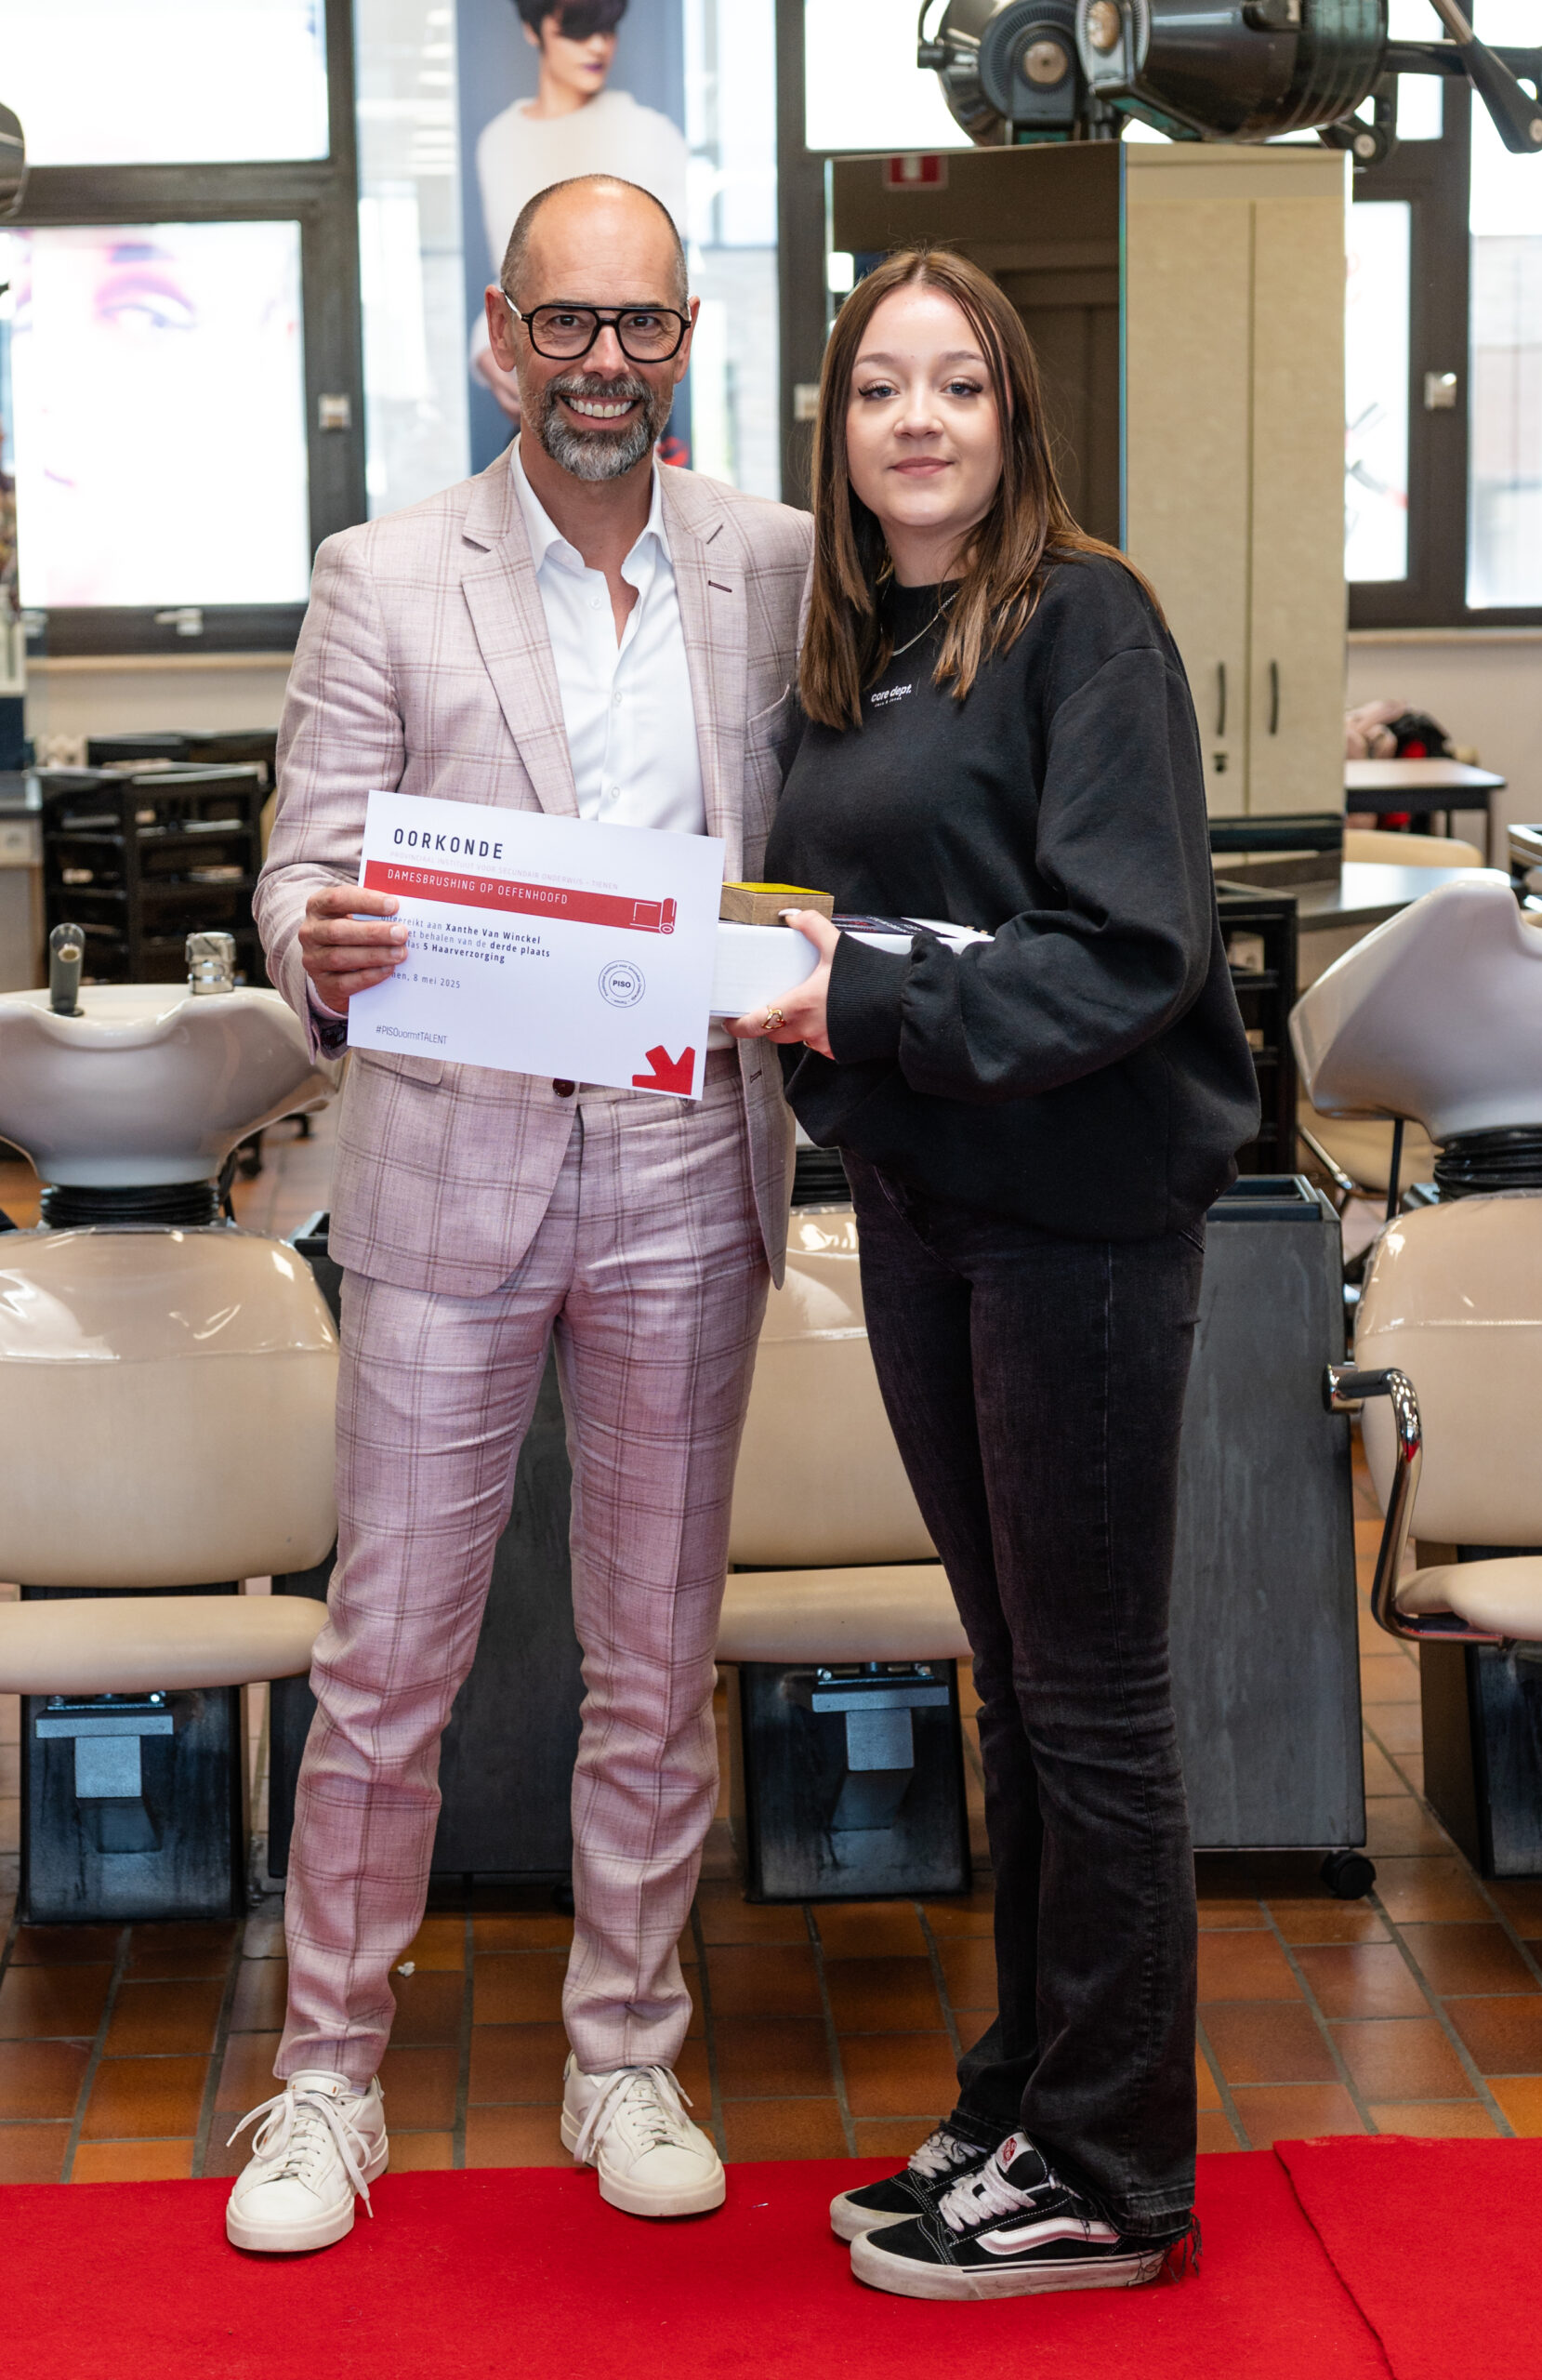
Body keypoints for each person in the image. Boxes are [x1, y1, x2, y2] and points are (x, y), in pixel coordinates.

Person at [234, 173, 811, 2254]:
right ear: (499, 337)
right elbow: (297, 866)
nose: (600, 364)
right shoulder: (382, 572)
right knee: (387, 1653)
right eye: (564, 323)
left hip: (684, 1157)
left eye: (638, 325)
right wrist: (323, 935)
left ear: (685, 342)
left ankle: (624, 2048)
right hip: (450, 1154)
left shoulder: (775, 562)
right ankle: (326, 2077)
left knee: (652, 1652)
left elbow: (817, 839)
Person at [731, 248, 1259, 2301]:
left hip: (1080, 1218)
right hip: (925, 1207)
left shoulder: (1080, 619)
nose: (918, 419)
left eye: (956, 382)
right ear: (836, 429)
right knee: (1020, 1682)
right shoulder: (853, 649)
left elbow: (1128, 948)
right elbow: (835, 925)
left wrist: (849, 997)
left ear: (1012, 411)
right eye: (879, 387)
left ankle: (1112, 2166)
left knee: (1093, 1698)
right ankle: (1033, 2087)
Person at [471, 2, 688, 423]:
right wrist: (487, 347)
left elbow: (670, 283)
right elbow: (510, 275)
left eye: (608, 29)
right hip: (540, 392)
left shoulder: (651, 136)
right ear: (533, 28)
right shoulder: (500, 143)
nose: (597, 46)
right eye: (577, 29)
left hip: (633, 398)